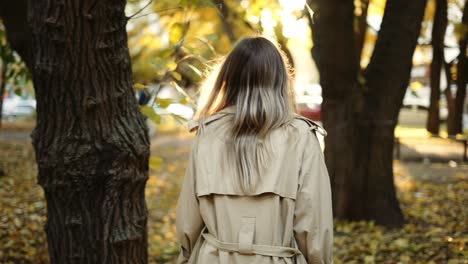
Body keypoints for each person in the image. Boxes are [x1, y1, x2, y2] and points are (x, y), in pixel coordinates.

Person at [175, 36, 333, 264]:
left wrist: (186, 257)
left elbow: (188, 223)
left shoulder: (207, 133)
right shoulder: (300, 136)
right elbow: (314, 224)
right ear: (279, 80)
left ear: (229, 78)